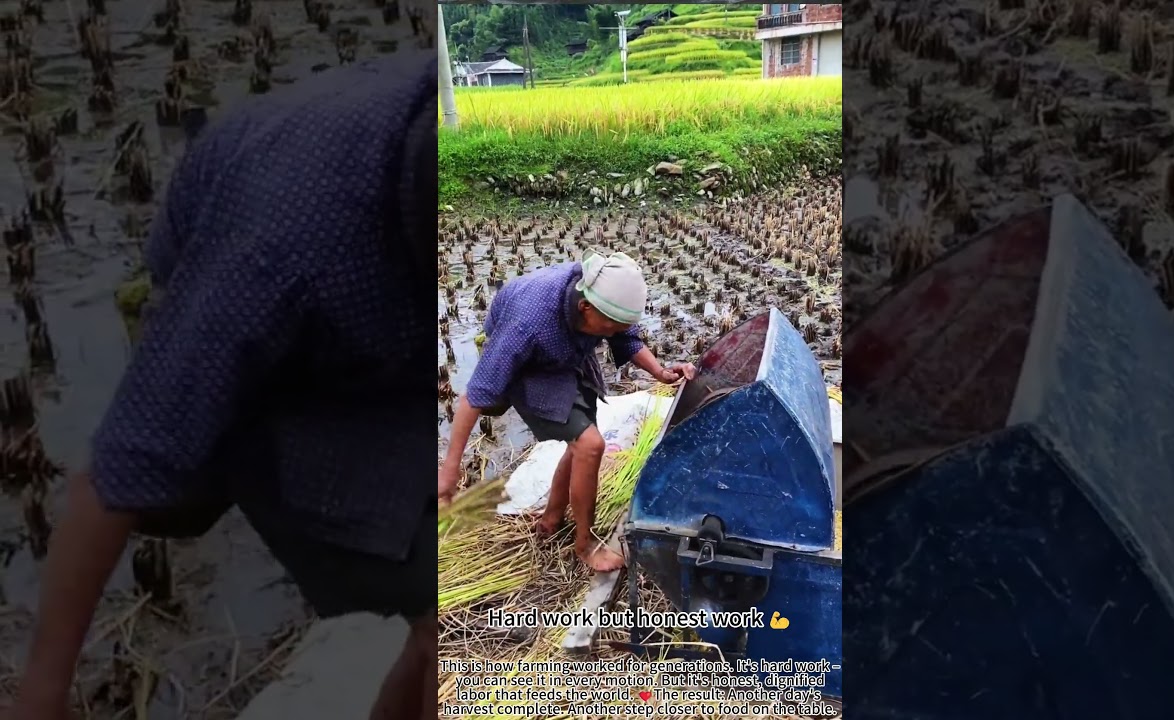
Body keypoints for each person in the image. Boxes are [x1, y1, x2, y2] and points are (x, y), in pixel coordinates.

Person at [10, 52, 435, 720]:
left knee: (452, 606)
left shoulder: (455, 120)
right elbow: (120, 468)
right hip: (285, 350)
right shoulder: (278, 253)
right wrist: (43, 691)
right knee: (436, 588)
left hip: (377, 312)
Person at [437, 252, 695, 572]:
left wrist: (660, 372)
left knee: (582, 444)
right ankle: (585, 546)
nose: (613, 332)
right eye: (610, 326)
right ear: (585, 308)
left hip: (569, 352)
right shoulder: (526, 325)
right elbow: (474, 396)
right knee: (591, 444)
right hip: (531, 367)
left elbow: (626, 337)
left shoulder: (601, 298)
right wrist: (450, 470)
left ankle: (552, 519)